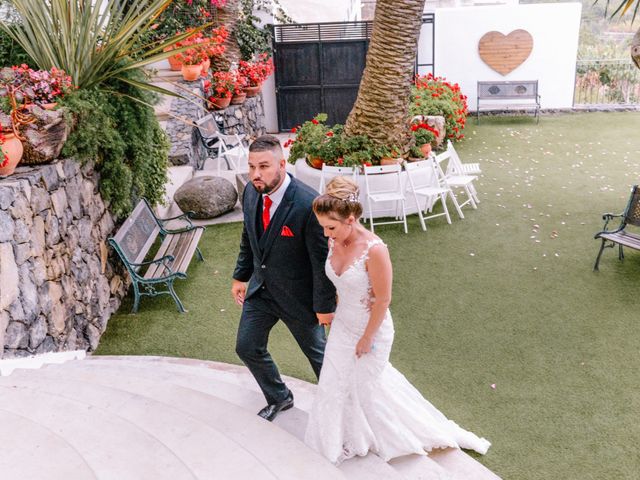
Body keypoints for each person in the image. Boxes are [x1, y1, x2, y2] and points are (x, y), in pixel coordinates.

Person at [304, 176, 491, 464]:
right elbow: (343, 284)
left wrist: (367, 338)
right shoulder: (334, 241)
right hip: (343, 326)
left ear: (351, 219)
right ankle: (337, 440)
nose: (327, 234)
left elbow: (383, 299)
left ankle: (398, 433)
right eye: (323, 228)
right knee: (333, 383)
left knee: (366, 387)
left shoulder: (374, 249)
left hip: (372, 329)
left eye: (331, 227)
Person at [231, 135, 336, 421]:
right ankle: (279, 397)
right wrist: (241, 276)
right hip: (261, 292)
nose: (256, 174)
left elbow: (320, 262)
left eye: (263, 166)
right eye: (252, 166)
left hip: (299, 299)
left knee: (322, 361)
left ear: (282, 164)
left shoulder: (308, 203)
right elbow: (248, 238)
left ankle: (342, 413)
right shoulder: (251, 192)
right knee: (247, 346)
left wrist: (325, 307)